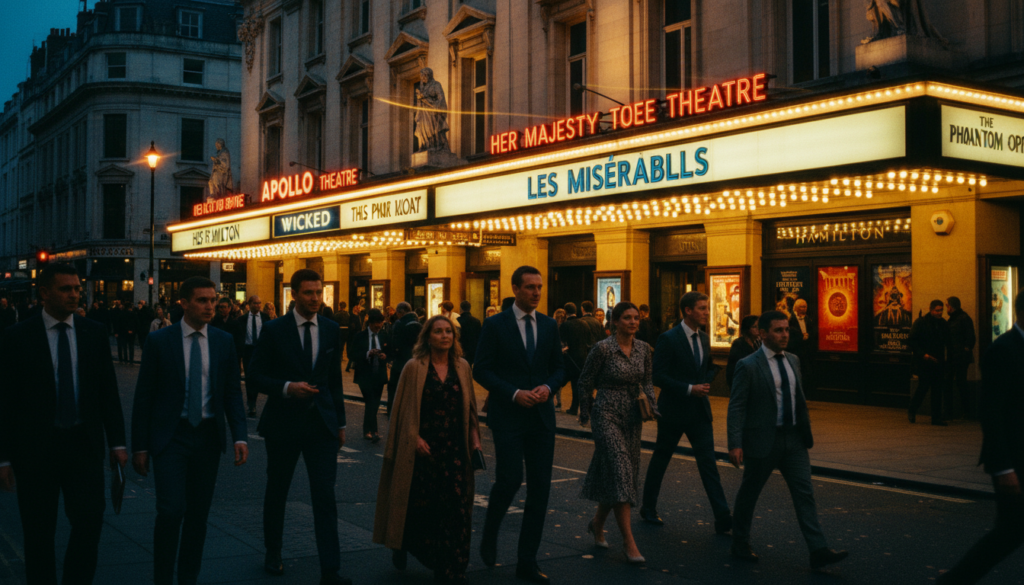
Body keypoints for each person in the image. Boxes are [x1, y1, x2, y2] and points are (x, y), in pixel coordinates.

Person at [0, 264, 128, 585]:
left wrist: (117, 443)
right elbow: (5, 401)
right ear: (44, 293)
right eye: (65, 289)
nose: (74, 294)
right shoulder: (17, 337)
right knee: (38, 534)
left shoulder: (93, 332)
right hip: (35, 452)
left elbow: (107, 393)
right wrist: (3, 457)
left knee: (89, 524)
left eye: (76, 288)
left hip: (83, 448)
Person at [131, 276, 249, 585]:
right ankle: (162, 578)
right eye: (203, 300)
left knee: (198, 517)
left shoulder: (223, 341)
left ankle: (187, 578)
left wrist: (239, 435)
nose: (211, 306)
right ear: (184, 302)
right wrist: (140, 446)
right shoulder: (160, 341)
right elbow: (144, 396)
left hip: (208, 438)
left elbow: (232, 394)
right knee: (171, 511)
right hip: (172, 437)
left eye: (214, 300)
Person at [247, 269, 350, 585]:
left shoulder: (331, 329)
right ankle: (273, 551)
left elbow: (334, 380)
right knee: (277, 490)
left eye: (319, 292)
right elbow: (255, 376)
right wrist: (287, 387)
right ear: (293, 294)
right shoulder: (274, 329)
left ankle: (330, 570)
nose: (316, 298)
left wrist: (341, 422)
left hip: (322, 425)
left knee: (324, 497)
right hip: (284, 423)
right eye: (309, 293)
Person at [727, 310, 847, 569]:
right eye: (778, 330)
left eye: (787, 330)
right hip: (763, 440)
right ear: (763, 333)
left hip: (794, 440)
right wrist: (735, 443)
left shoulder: (793, 360)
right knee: (750, 493)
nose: (784, 335)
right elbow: (736, 406)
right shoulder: (747, 365)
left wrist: (804, 428)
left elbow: (799, 399)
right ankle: (740, 542)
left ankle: (818, 549)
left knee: (805, 494)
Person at [374, 314, 482, 584]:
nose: (445, 336)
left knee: (457, 509)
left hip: (455, 450)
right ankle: (403, 544)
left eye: (449, 332)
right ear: (427, 337)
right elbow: (400, 410)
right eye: (438, 332)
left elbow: (469, 410)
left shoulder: (463, 367)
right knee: (423, 509)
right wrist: (414, 437)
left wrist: (475, 440)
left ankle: (451, 568)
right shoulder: (414, 366)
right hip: (424, 450)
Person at [474, 266, 564, 585]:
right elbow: (481, 370)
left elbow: (559, 368)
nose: (536, 293)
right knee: (510, 480)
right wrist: (513, 393)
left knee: (540, 489)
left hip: (541, 417)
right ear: (515, 289)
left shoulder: (550, 325)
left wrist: (547, 388)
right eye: (529, 287)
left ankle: (527, 560)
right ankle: (490, 531)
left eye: (539, 287)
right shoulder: (495, 325)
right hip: (509, 415)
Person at [938, 291, 1024, 584]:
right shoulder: (1004, 350)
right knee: (1009, 532)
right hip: (1014, 460)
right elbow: (992, 414)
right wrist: (1003, 468)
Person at [640, 292, 732, 534]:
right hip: (674, 411)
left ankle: (722, 516)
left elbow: (705, 366)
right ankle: (648, 507)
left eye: (706, 307)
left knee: (708, 464)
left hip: (699, 413)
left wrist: (708, 379)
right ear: (688, 311)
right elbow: (658, 375)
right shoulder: (668, 339)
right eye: (702, 308)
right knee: (661, 459)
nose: (706, 312)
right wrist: (690, 389)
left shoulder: (703, 338)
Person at [577, 302, 656, 564]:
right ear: (615, 322)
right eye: (627, 318)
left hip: (633, 416)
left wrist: (652, 407)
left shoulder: (643, 348)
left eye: (636, 318)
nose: (633, 322)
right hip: (606, 413)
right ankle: (628, 542)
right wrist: (585, 411)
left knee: (622, 475)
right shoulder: (603, 348)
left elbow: (647, 381)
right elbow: (585, 380)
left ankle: (597, 523)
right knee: (621, 472)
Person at [351, 308, 390, 442]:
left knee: (375, 403)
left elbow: (390, 350)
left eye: (381, 324)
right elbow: (352, 355)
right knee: (370, 402)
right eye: (376, 324)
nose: (378, 327)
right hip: (365, 376)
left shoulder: (383, 335)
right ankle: (372, 431)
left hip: (379, 375)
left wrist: (386, 355)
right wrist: (368, 353)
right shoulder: (360, 336)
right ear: (370, 323)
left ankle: (370, 430)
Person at [909, 300, 949, 425]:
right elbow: (912, 340)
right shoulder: (921, 322)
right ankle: (912, 409)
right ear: (931, 310)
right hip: (925, 361)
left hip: (938, 361)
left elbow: (948, 341)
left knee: (937, 390)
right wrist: (923, 354)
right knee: (923, 388)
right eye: (937, 310)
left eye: (941, 310)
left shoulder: (943, 323)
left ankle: (936, 418)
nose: (940, 313)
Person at [235, 295, 270, 417]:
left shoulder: (266, 318)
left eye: (259, 303)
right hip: (248, 350)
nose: (258, 305)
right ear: (249, 304)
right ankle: (251, 403)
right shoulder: (242, 319)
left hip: (261, 351)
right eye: (255, 303)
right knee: (249, 378)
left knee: (260, 376)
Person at [560, 302, 596, 417]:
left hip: (570, 358)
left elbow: (561, 341)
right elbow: (590, 341)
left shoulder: (565, 325)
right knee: (578, 383)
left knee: (566, 382)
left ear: (565, 312)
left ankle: (573, 408)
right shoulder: (584, 324)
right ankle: (580, 407)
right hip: (583, 357)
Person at [387, 302, 422, 417]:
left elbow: (395, 343)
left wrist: (391, 356)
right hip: (415, 359)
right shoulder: (418, 323)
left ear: (400, 312)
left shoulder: (399, 323)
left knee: (394, 387)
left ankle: (393, 410)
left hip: (400, 361)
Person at [945, 296, 977, 418]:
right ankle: (965, 411)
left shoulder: (959, 319)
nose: (946, 308)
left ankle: (952, 411)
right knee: (960, 382)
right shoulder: (960, 318)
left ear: (951, 307)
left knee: (954, 382)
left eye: (947, 305)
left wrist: (965, 349)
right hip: (958, 356)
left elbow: (970, 338)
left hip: (957, 356)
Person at [727, 315, 761, 389]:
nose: (758, 329)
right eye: (754, 327)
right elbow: (734, 367)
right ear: (747, 328)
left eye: (759, 326)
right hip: (743, 382)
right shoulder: (739, 344)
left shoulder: (758, 343)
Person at [456, 300, 482, 365]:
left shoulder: (458, 321)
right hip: (473, 348)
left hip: (462, 347)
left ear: (461, 308)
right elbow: (479, 336)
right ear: (470, 308)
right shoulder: (476, 321)